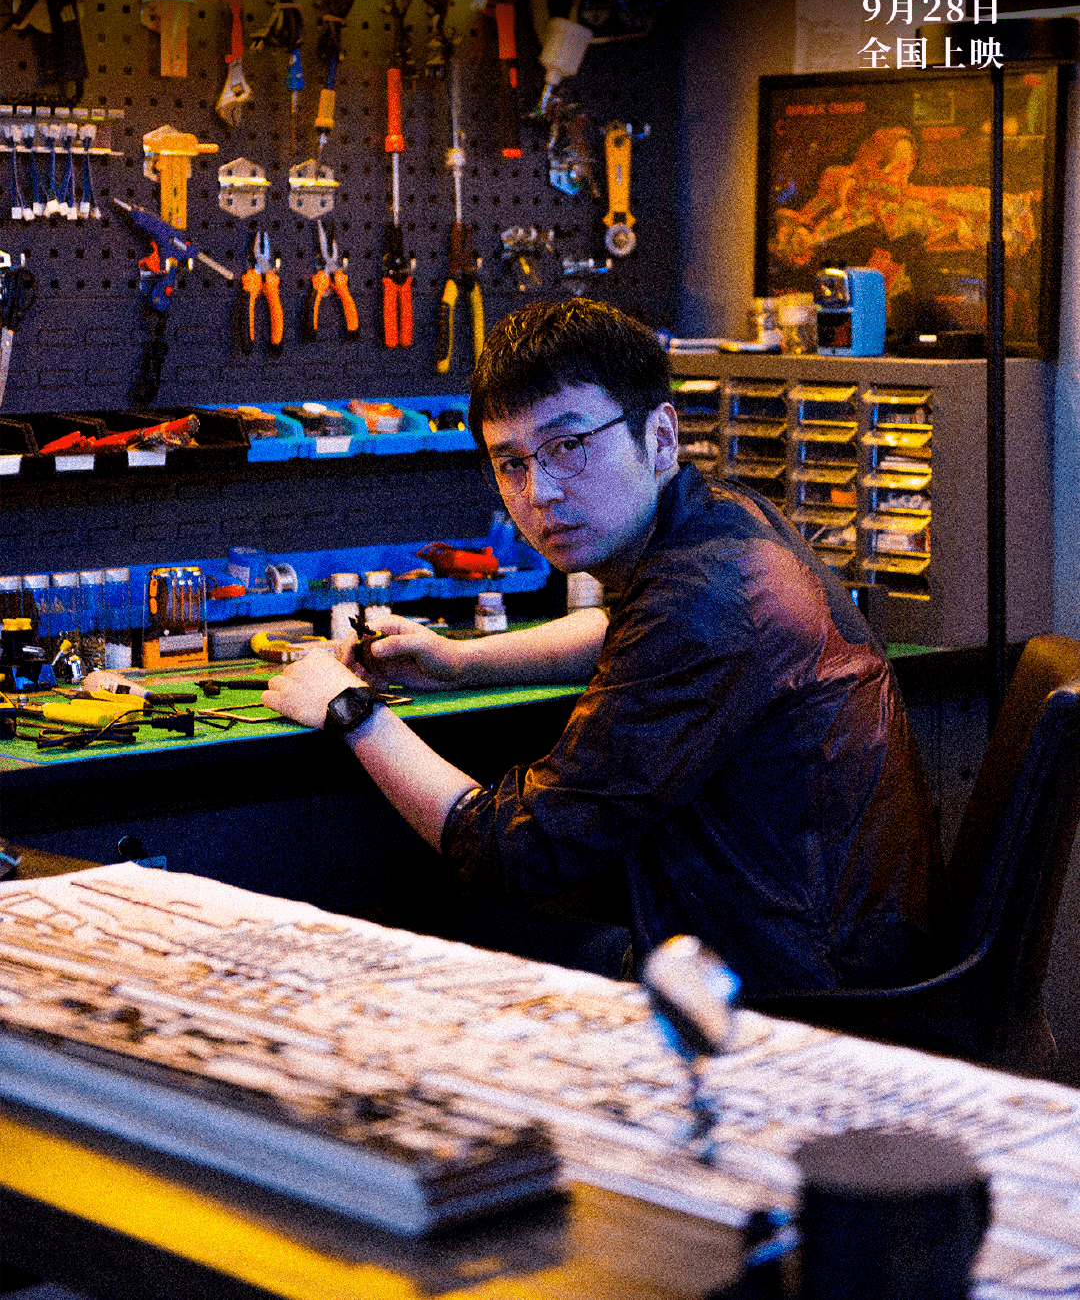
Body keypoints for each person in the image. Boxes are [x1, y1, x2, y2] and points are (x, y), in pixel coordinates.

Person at [263, 300, 946, 996]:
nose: (540, 492)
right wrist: (461, 660)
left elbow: (514, 851)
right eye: (511, 462)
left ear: (660, 436)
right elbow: (623, 627)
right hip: (813, 946)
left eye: (569, 445)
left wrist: (352, 711)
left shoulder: (701, 602)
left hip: (783, 1000)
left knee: (418, 934)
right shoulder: (722, 524)